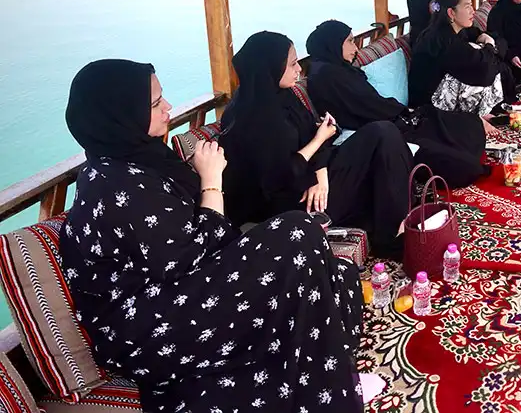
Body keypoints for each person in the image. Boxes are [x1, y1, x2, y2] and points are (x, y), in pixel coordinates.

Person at [60, 59, 367, 413]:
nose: (168, 107)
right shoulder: (115, 186)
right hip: (148, 328)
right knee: (297, 234)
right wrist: (211, 180)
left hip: (176, 291)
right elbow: (192, 256)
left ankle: (322, 362)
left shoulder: (136, 159)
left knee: (328, 268)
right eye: (156, 103)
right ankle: (323, 384)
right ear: (121, 116)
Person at [219, 31, 412, 257]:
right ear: (270, 68)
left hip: (311, 178)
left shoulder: (282, 96)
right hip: (294, 204)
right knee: (380, 153)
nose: (299, 69)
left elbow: (311, 132)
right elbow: (277, 179)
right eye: (292, 64)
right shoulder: (248, 118)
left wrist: (320, 172)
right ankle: (391, 238)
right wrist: (319, 141)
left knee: (381, 132)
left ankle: (395, 225)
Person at [305, 20, 492, 188]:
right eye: (350, 41)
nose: (356, 48)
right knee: (462, 163)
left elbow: (370, 102)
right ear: (334, 44)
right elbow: (365, 107)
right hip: (382, 132)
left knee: (466, 123)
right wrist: (402, 111)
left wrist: (404, 111)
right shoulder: (327, 77)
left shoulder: (337, 69)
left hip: (392, 119)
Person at [408, 0, 513, 116]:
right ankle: (476, 117)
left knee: (487, 59)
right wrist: (489, 45)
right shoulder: (441, 39)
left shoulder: (455, 30)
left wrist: (489, 44)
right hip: (429, 108)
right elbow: (484, 71)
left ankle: (479, 114)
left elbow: (488, 40)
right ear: (451, 13)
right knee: (483, 62)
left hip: (441, 99)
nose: (473, 11)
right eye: (467, 6)